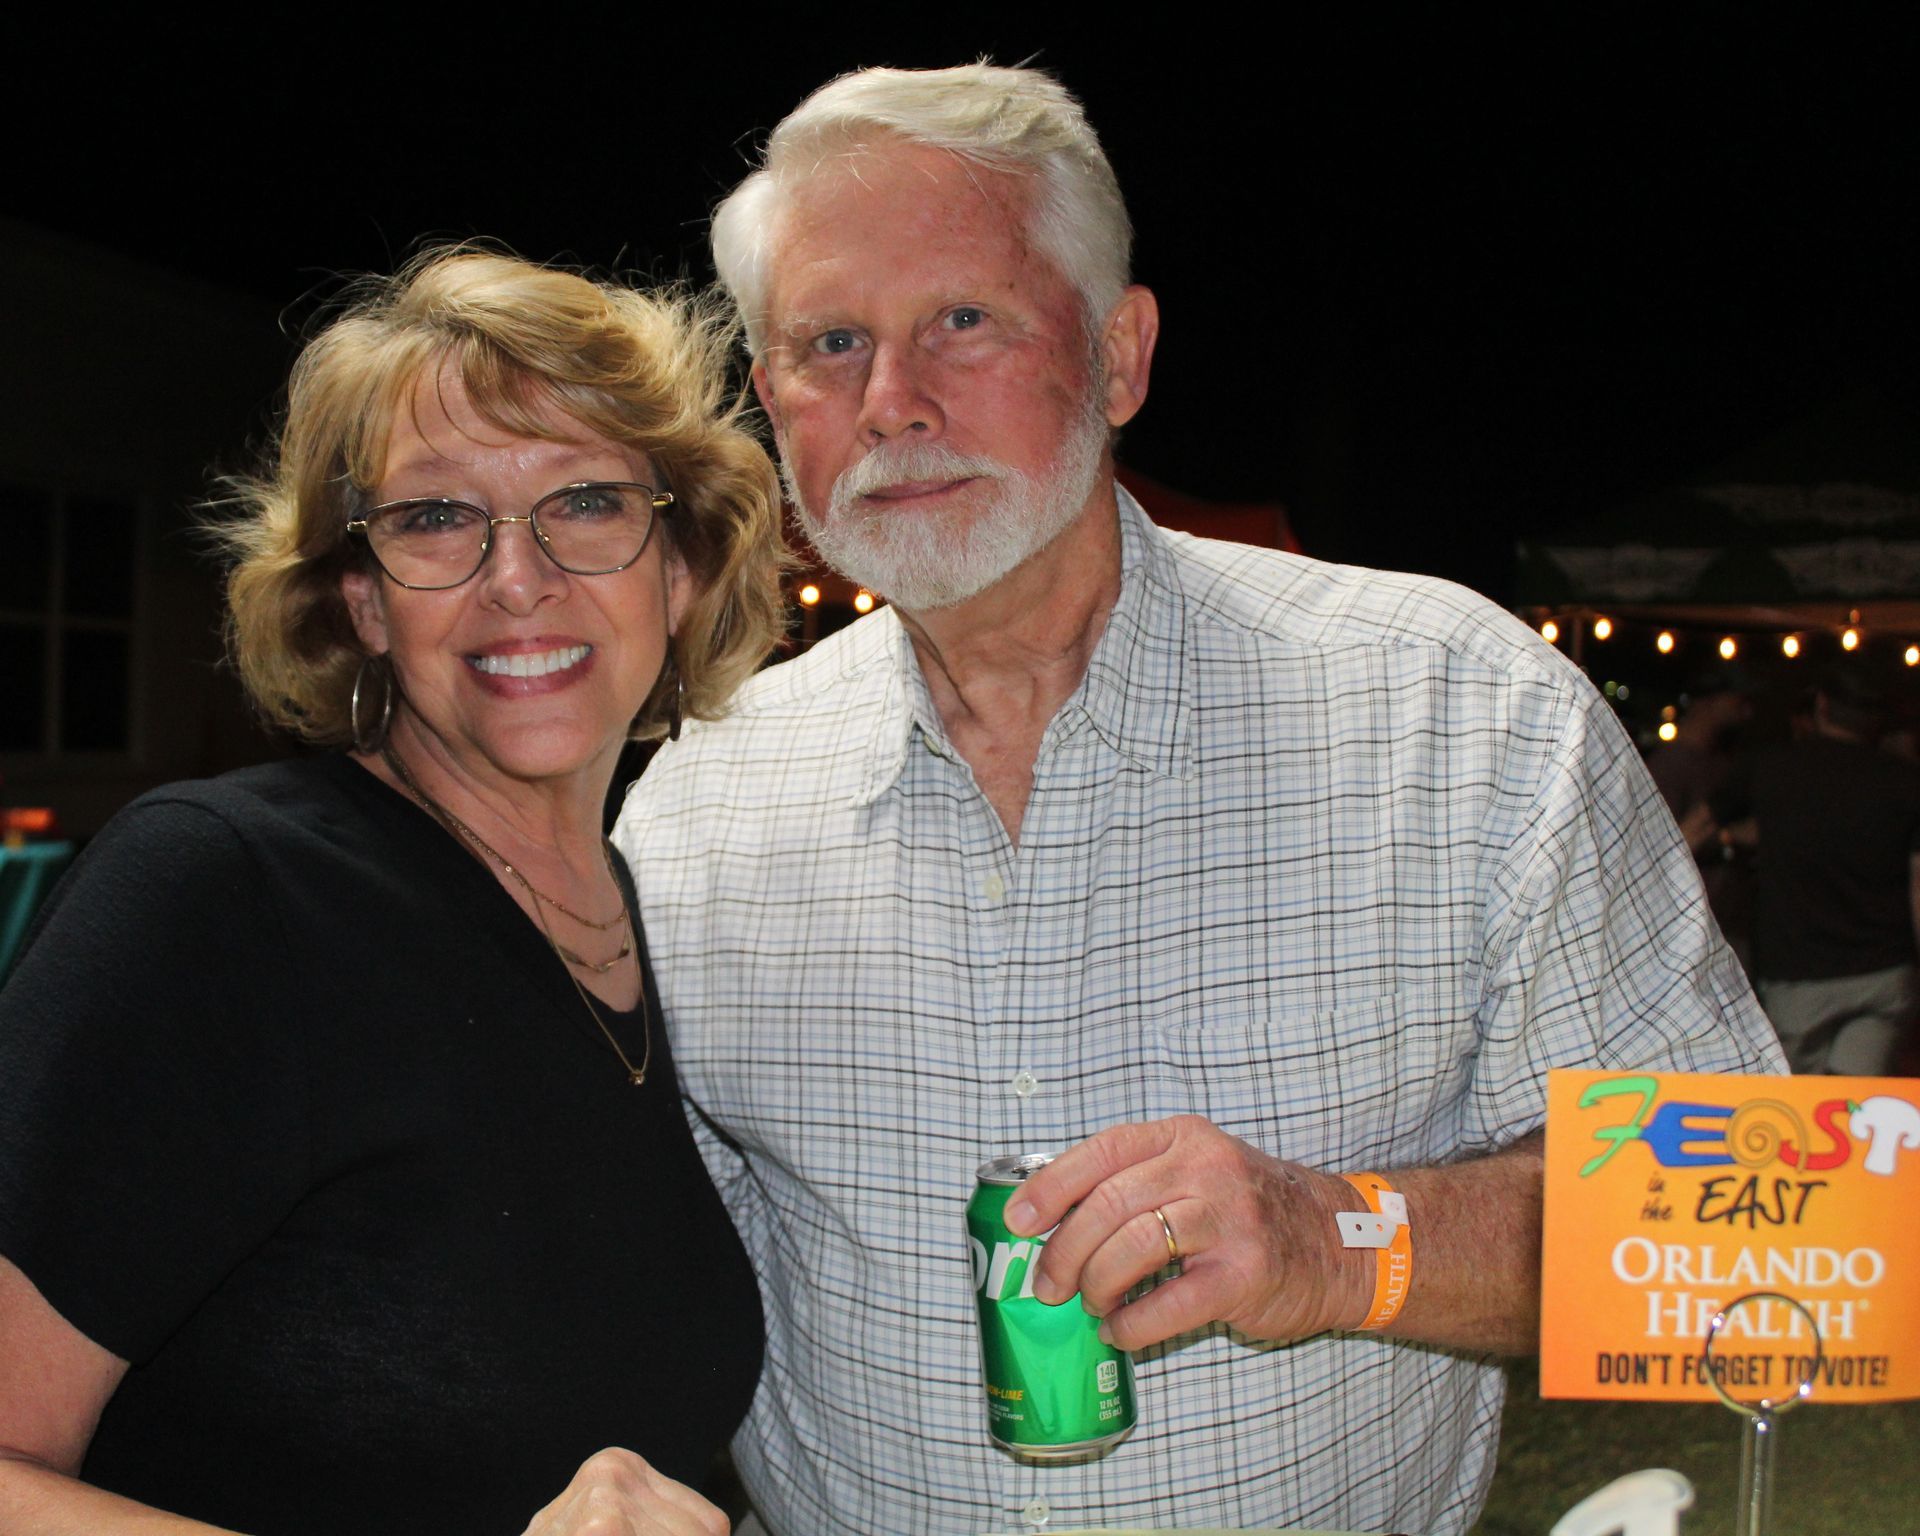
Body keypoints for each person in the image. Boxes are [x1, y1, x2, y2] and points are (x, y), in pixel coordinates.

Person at [616, 64, 1785, 1536]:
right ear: (771, 399)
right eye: (830, 342)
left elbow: (1738, 1240)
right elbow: (646, 1273)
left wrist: (1340, 1243)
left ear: (1119, 356)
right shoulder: (699, 804)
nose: (890, 402)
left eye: (963, 321)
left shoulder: (1460, 713)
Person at [0, 249, 786, 1536]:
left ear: (681, 570)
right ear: (363, 601)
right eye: (435, 518)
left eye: (588, 501)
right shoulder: (226, 893)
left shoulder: (635, 919)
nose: (517, 577)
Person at [1748, 667, 1920, 1074]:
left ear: (1821, 706)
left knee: (1799, 1104)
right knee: (1856, 1100)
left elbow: (1696, 826)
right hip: (1882, 975)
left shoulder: (1774, 769)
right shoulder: (1907, 782)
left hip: (1796, 977)